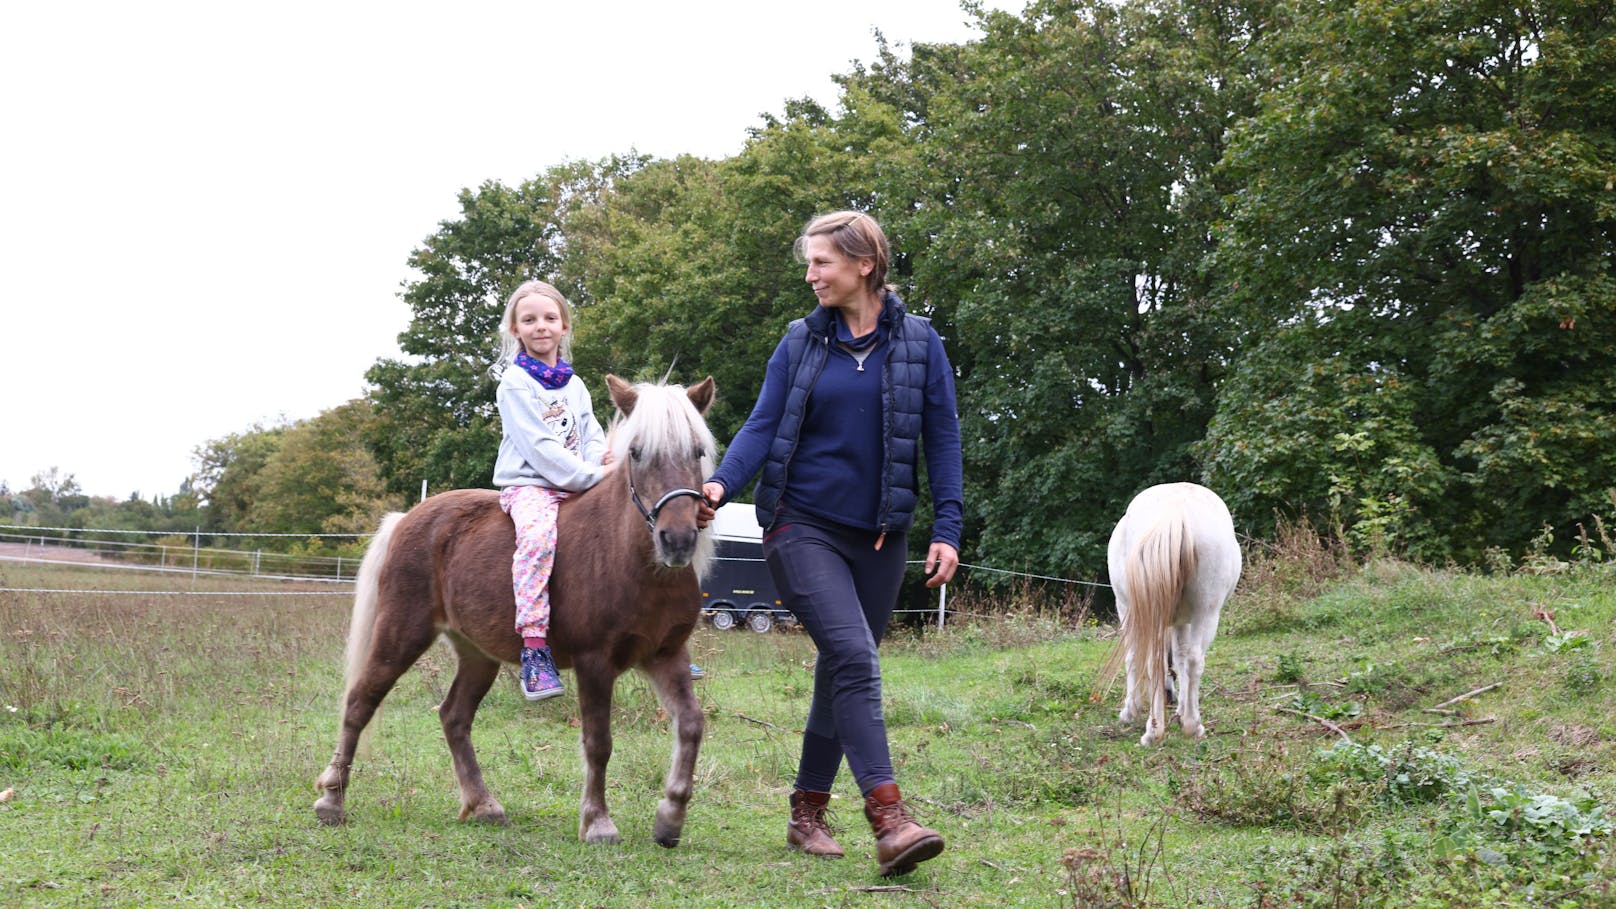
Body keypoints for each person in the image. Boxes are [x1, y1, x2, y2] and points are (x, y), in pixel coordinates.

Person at [699, 210, 963, 877]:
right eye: (810, 263)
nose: (811, 275)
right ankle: (890, 817)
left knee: (841, 665)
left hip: (879, 537)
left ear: (864, 265)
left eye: (821, 263)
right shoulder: (799, 342)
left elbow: (944, 440)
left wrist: (948, 527)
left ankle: (806, 812)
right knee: (853, 655)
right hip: (799, 522)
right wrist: (719, 485)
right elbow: (761, 426)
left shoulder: (922, 344)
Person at [493, 280, 613, 701]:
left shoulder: (573, 383)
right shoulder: (515, 383)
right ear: (515, 330)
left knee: (627, 528)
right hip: (531, 485)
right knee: (539, 538)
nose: (540, 326)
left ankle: (646, 635)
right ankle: (535, 648)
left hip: (580, 480)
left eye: (549, 318)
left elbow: (591, 431)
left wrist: (602, 461)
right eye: (529, 320)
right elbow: (539, 449)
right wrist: (591, 477)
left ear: (564, 327)